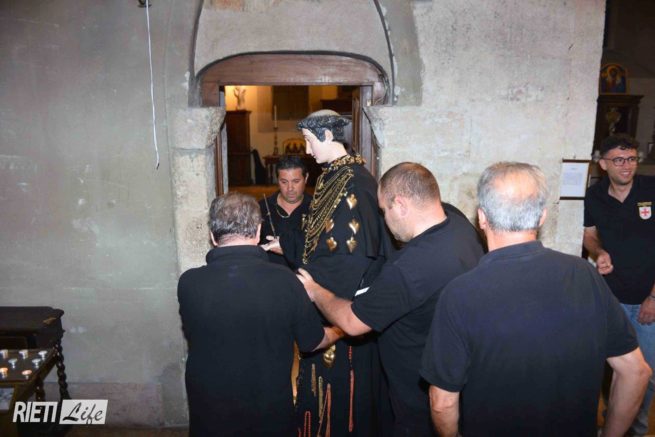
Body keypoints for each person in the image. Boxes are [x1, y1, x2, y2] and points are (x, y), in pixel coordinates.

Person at [421, 162, 651, 437]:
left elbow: (442, 403)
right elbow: (636, 371)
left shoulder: (460, 293)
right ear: (542, 217)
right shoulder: (585, 276)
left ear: (481, 217)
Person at [298, 162, 484, 436]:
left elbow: (352, 321)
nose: (384, 220)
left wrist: (315, 290)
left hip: (419, 406)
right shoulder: (459, 224)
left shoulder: (410, 268)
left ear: (400, 204)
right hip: (462, 382)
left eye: (384, 211)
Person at [265, 109, 393, 437]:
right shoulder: (332, 175)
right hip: (323, 303)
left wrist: (314, 287)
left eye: (310, 141)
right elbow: (317, 237)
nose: (307, 150)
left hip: (341, 309)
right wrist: (287, 245)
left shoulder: (356, 182)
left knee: (341, 405)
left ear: (326, 136)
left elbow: (352, 256)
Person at [177, 192, 340, 436]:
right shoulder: (284, 281)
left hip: (210, 415)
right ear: (258, 231)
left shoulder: (189, 283)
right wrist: (340, 328)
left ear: (212, 236)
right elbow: (312, 341)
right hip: (267, 417)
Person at [584, 134, 655, 436]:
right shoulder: (594, 196)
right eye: (618, 160)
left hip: (648, 301)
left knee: (643, 374)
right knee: (607, 369)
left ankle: (635, 430)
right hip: (610, 298)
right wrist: (599, 252)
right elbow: (589, 234)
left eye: (631, 159)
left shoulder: (651, 189)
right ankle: (609, 425)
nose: (627, 166)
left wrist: (653, 297)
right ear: (603, 164)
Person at [259, 154, 311, 268]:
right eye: (284, 182)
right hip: (270, 274)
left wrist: (288, 249)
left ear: (306, 178)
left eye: (296, 181)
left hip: (305, 275)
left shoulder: (317, 208)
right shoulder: (261, 208)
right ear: (277, 180)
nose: (290, 188)